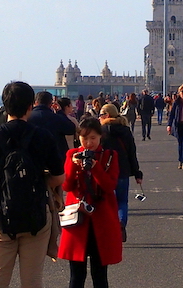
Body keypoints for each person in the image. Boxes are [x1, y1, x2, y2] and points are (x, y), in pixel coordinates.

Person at [0, 81, 65, 288]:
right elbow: (59, 176)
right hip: (36, 215)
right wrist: (42, 180)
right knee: (32, 281)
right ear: (30, 105)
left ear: (5, 105)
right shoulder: (43, 136)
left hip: (0, 215)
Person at [59, 117, 122, 288]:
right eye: (84, 138)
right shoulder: (72, 154)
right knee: (76, 276)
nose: (88, 143)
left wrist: (94, 167)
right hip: (77, 220)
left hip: (102, 219)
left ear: (101, 136)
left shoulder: (110, 156)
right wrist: (74, 166)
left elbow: (109, 186)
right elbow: (67, 186)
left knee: (100, 275)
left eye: (93, 138)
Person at [100, 104, 142, 240]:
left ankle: (109, 227)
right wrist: (137, 173)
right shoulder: (125, 130)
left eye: (101, 115)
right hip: (123, 170)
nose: (99, 117)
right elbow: (132, 152)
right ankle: (121, 223)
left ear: (107, 115)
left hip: (106, 171)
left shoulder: (101, 131)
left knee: (106, 201)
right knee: (122, 201)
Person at [28, 91, 77, 163]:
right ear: (51, 104)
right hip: (55, 159)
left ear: (36, 102)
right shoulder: (57, 118)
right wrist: (60, 112)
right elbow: (71, 129)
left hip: (32, 159)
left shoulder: (28, 118)